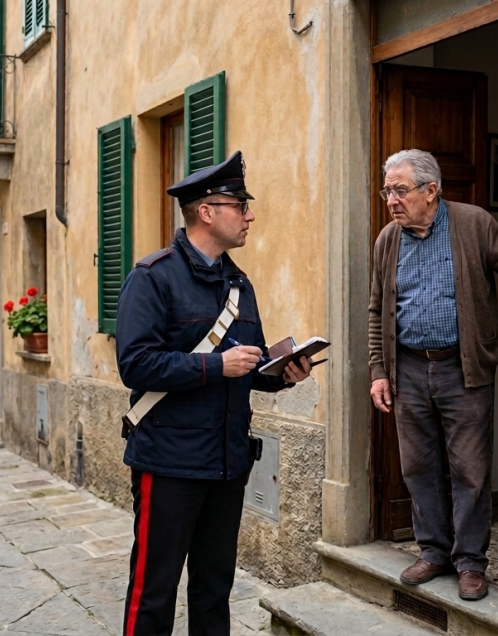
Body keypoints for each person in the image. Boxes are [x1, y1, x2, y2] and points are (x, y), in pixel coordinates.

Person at [115, 151, 313, 636]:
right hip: (168, 462)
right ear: (206, 212)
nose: (250, 216)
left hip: (227, 462)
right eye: (240, 205)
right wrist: (215, 365)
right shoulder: (153, 277)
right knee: (153, 591)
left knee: (214, 589)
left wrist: (283, 373)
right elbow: (135, 364)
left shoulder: (238, 283)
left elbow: (248, 364)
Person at [368, 149, 498, 601]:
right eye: (387, 191)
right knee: (417, 467)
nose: (392, 200)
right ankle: (434, 551)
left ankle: (470, 562)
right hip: (407, 367)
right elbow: (377, 309)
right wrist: (379, 370)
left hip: (462, 368)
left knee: (470, 470)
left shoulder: (473, 223)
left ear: (431, 190)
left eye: (400, 190)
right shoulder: (388, 239)